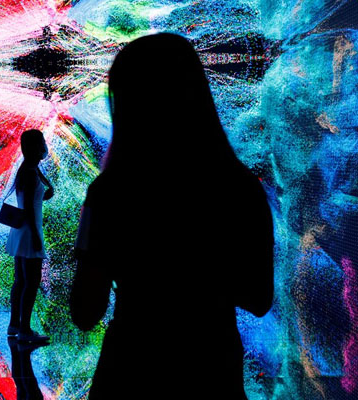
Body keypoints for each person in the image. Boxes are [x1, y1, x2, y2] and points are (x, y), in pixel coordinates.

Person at [69, 33, 274, 399]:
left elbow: (85, 310)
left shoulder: (110, 193)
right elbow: (258, 299)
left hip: (132, 370)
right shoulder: (241, 188)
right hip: (211, 371)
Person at [6, 129, 55, 342]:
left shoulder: (29, 168)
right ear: (36, 146)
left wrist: (46, 190)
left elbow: (33, 198)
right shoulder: (28, 171)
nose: (45, 145)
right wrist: (36, 236)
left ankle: (15, 325)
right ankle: (24, 329)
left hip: (22, 231)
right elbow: (27, 207)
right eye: (42, 142)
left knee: (20, 280)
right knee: (31, 281)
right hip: (29, 232)